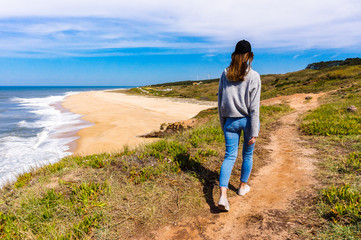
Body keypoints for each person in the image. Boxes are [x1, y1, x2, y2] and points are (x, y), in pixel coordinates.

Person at [217, 40, 261, 212]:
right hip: (248, 120)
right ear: (249, 56)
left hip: (230, 120)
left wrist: (224, 123)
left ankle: (223, 196)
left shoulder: (225, 73)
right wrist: (255, 131)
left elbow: (220, 100)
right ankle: (242, 187)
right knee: (247, 155)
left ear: (234, 55)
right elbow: (254, 107)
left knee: (229, 156)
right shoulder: (254, 76)